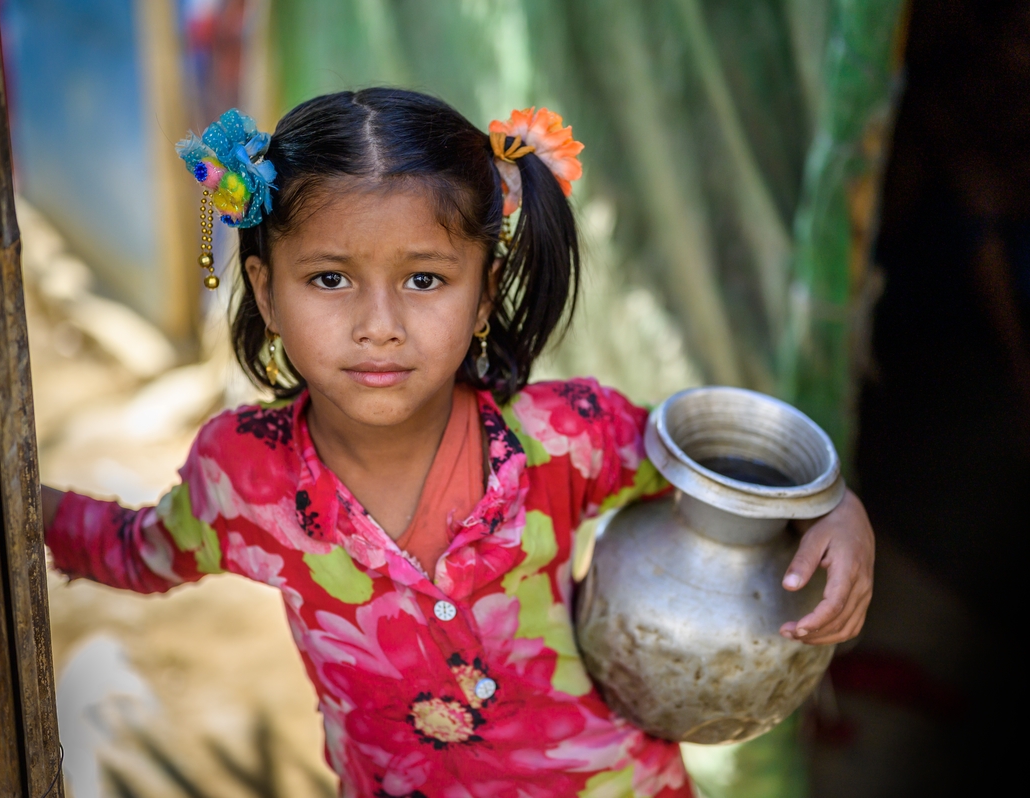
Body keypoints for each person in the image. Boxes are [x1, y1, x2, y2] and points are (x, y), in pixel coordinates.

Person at [42, 88, 874, 797]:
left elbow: (728, 471)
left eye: (425, 280)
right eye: (328, 279)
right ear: (264, 289)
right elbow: (136, 551)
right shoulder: (243, 473)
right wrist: (15, 505)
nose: (379, 327)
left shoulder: (565, 436)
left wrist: (834, 510)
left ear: (483, 296)